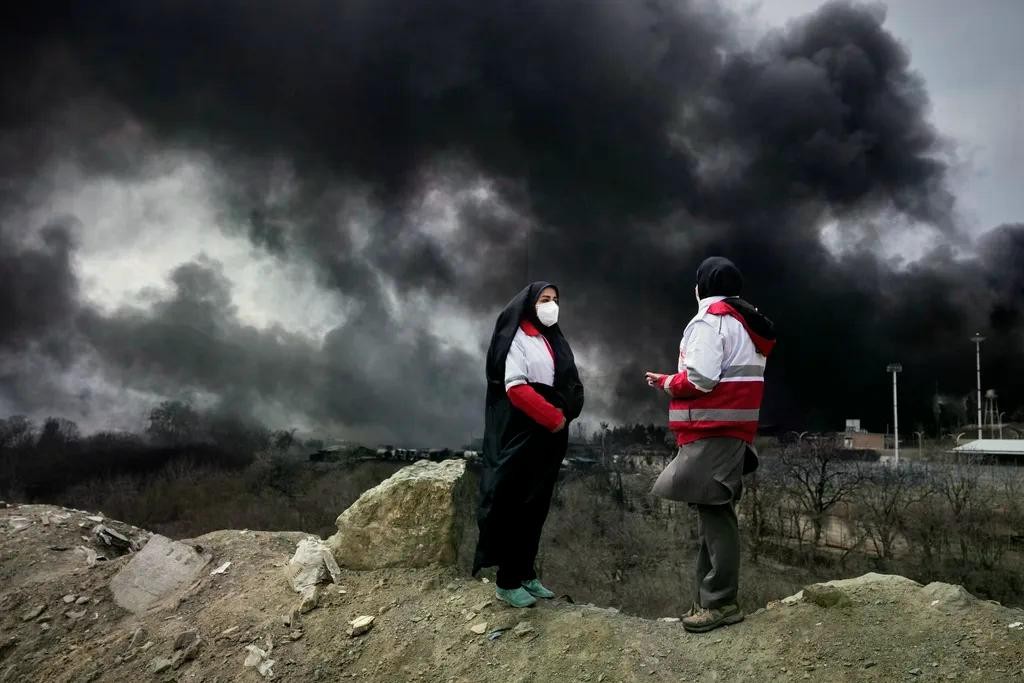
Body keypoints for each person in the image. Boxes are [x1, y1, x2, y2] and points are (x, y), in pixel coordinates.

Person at [644, 257, 776, 633]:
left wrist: (668, 382)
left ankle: (720, 604)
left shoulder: (710, 320)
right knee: (711, 514)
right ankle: (707, 600)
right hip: (732, 431)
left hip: (712, 431)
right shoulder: (746, 321)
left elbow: (701, 378)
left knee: (717, 517)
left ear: (703, 285)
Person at [473, 282, 585, 608]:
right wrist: (552, 417)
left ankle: (526, 572)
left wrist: (568, 410)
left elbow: (568, 381)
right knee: (515, 506)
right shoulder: (516, 340)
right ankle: (507, 581)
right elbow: (516, 388)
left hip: (549, 440)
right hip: (524, 435)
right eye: (544, 300)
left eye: (555, 300)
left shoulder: (552, 340)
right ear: (529, 304)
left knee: (537, 507)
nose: (551, 305)